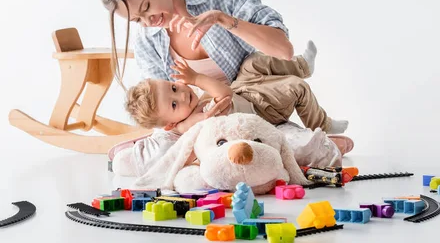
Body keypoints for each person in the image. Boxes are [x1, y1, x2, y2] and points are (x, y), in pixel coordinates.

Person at [98, 0, 353, 176]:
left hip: (255, 111)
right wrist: (191, 123)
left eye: (146, 8)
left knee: (268, 142)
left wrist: (223, 20)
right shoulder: (148, 40)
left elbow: (283, 50)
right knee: (168, 149)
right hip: (198, 125)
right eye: (137, 20)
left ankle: (299, 145)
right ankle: (210, 154)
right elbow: (163, 109)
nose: (148, 22)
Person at [125, 41, 348, 136]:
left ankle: (302, 65)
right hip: (263, 111)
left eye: (174, 88)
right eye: (174, 104)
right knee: (297, 88)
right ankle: (322, 125)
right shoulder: (186, 125)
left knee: (252, 61)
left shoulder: (188, 109)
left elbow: (229, 91)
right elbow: (224, 95)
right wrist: (195, 78)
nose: (182, 94)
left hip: (244, 92)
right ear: (170, 124)